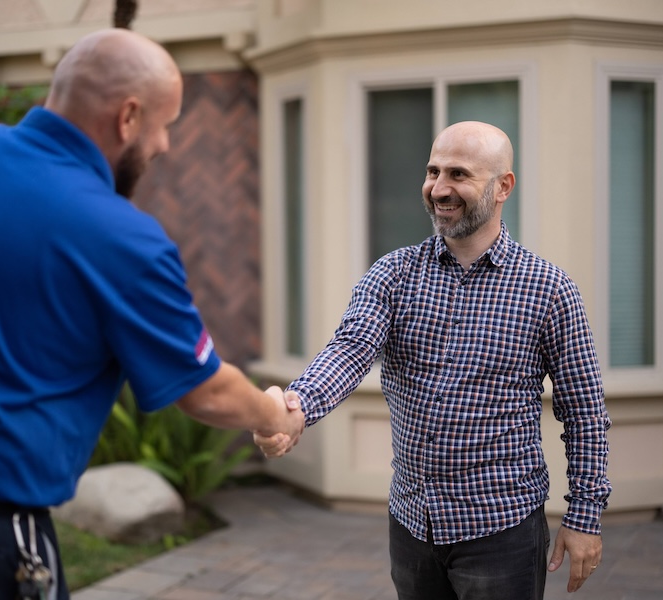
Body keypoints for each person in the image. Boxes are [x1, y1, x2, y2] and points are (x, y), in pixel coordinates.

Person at [0, 28, 303, 600]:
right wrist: (272, 416)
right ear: (128, 117)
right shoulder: (121, 237)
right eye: (165, 125)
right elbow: (206, 392)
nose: (165, 145)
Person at [257, 121, 610, 598]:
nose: (439, 189)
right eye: (432, 171)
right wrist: (297, 406)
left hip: (501, 529)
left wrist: (584, 515)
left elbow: (584, 408)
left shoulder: (548, 289)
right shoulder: (394, 274)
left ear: (503, 186)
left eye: (459, 174)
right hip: (412, 524)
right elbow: (350, 348)